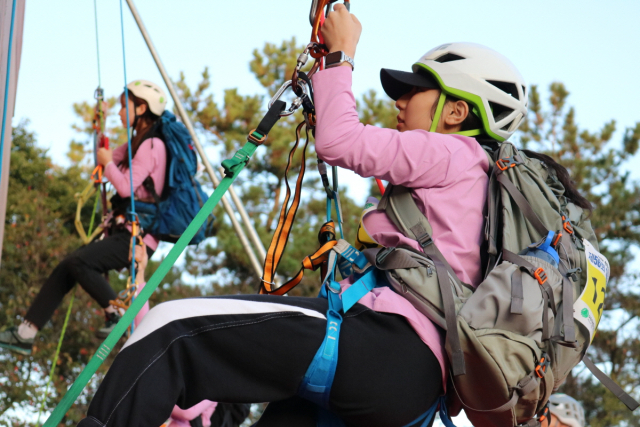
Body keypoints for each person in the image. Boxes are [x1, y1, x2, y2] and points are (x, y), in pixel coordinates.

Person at [75, 6, 589, 427]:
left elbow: (342, 140)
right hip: (408, 390)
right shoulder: (475, 187)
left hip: (385, 345)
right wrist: (327, 81)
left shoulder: (451, 153)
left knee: (172, 328)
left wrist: (341, 54)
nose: (400, 99)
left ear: (456, 112)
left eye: (415, 89)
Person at [0, 80, 168, 355]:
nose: (120, 112)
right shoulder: (136, 144)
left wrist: (108, 162)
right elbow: (103, 162)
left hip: (137, 237)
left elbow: (124, 185)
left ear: (141, 107)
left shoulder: (153, 146)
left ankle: (116, 314)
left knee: (79, 262)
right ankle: (24, 333)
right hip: (123, 233)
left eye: (124, 107)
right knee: (68, 265)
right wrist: (98, 129)